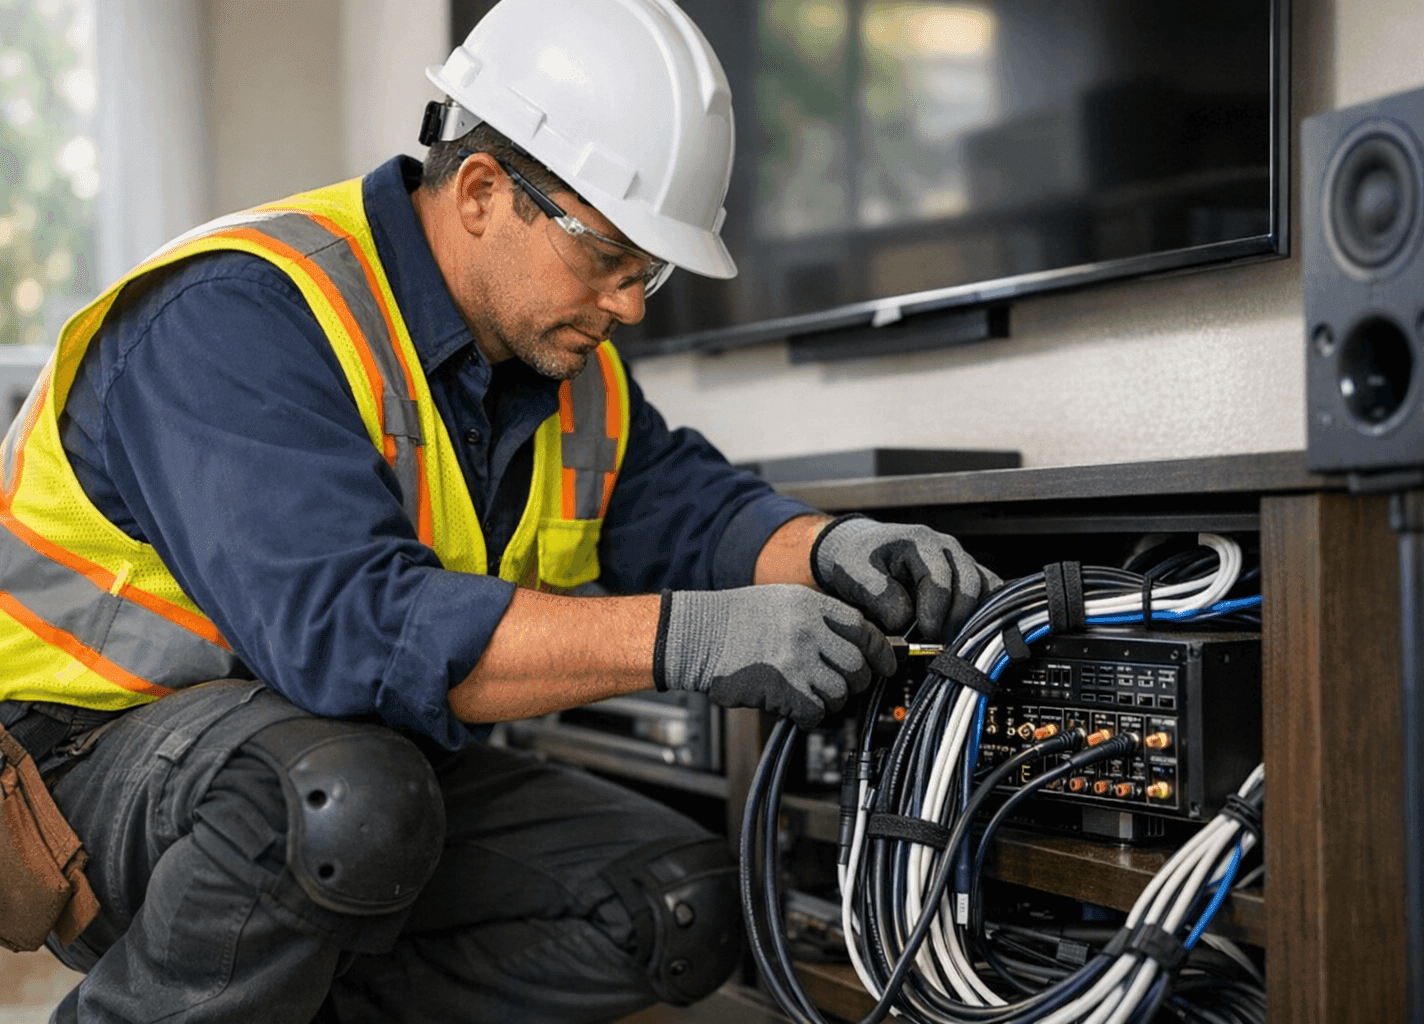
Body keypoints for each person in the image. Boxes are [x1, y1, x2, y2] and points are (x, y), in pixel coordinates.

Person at [0, 2, 999, 1021]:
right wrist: (693, 635)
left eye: (645, 270)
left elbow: (685, 509)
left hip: (329, 761)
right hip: (75, 769)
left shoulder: (559, 366)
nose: (633, 304)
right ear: (481, 191)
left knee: (678, 900)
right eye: (610, 256)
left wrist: (833, 550)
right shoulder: (238, 315)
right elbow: (353, 632)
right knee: (343, 803)